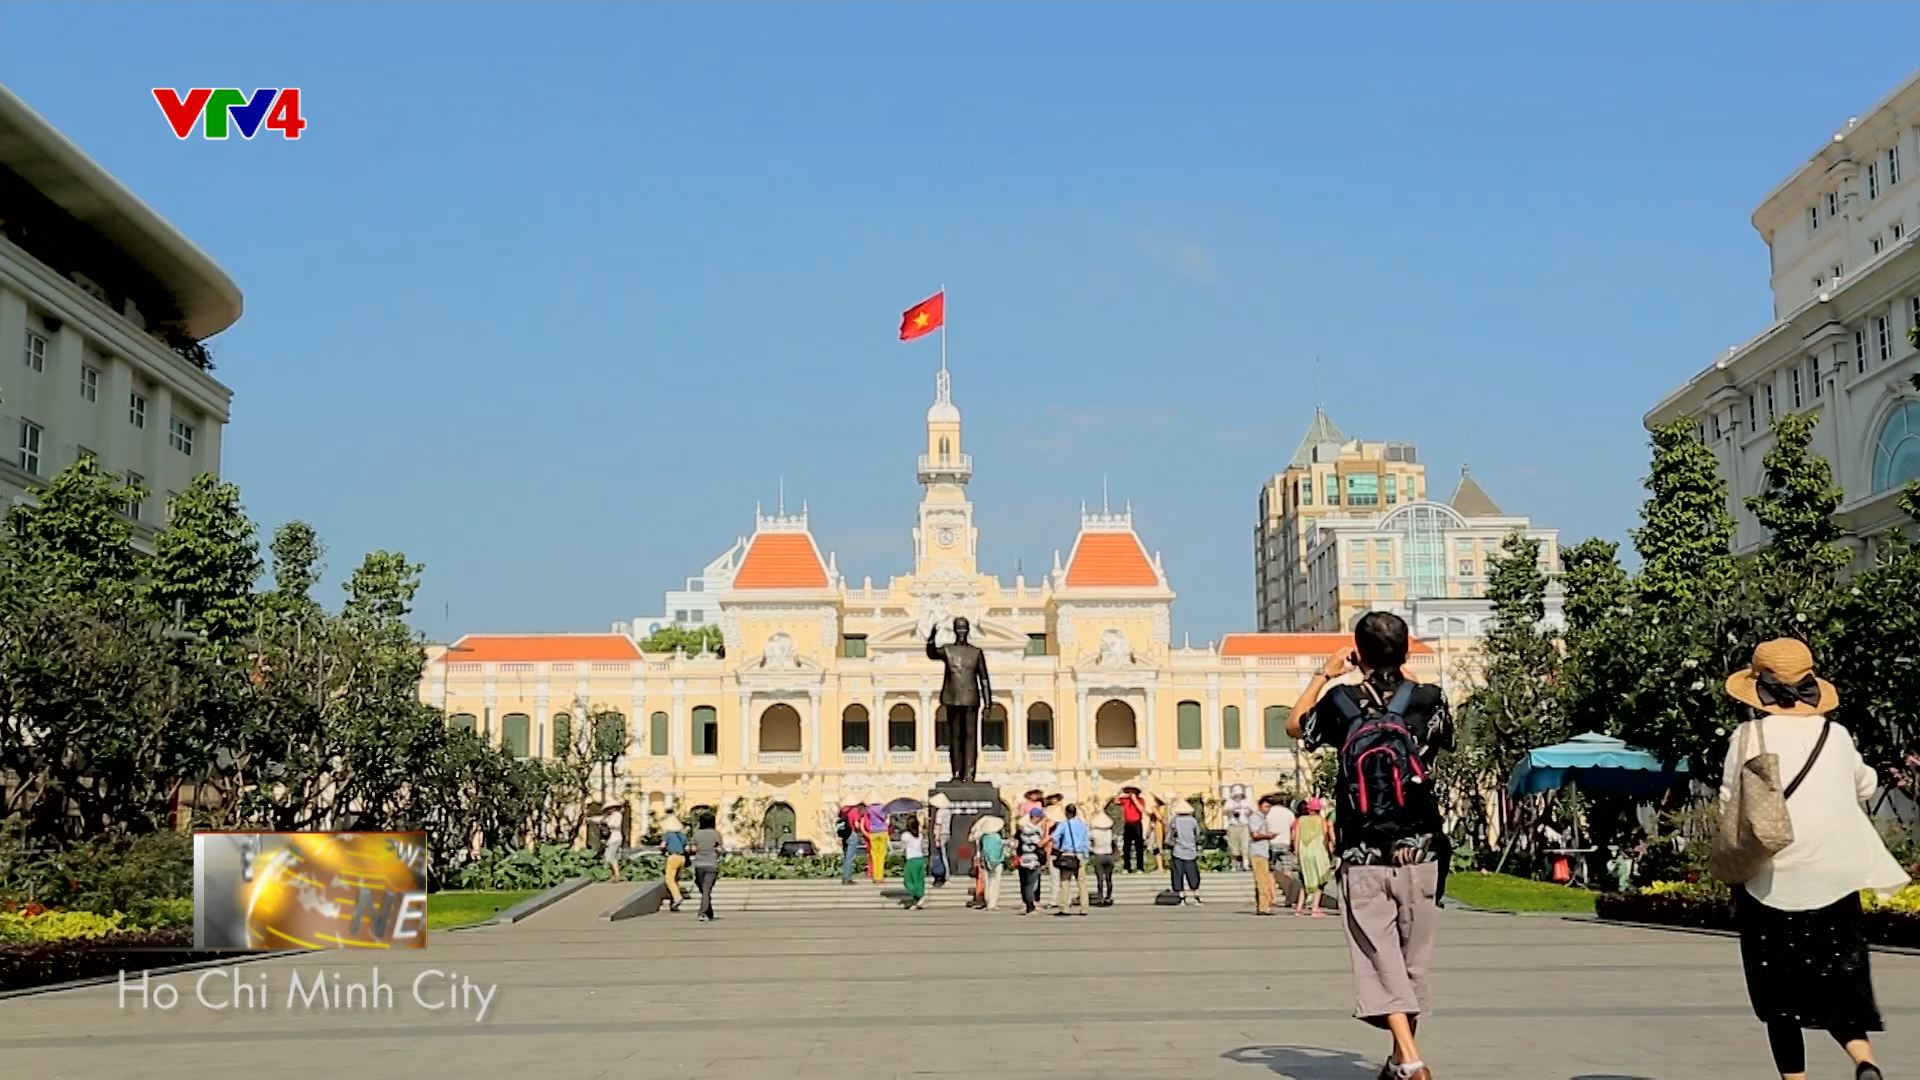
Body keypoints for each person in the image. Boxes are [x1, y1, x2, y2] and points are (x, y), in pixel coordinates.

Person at [1717, 638, 1906, 1080]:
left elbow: (1731, 802)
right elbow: (1864, 785)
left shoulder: (1749, 736)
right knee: (1841, 985)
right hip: (1835, 879)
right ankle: (1865, 1061)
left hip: (1772, 880)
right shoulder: (1835, 735)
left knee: (1778, 999)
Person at [1289, 610, 1454, 1080]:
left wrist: (1325, 673)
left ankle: (1412, 1060)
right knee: (1412, 960)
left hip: (1362, 853)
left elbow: (1296, 725)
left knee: (1377, 955)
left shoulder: (1340, 700)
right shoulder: (1430, 698)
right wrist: (1409, 681)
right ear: (1405, 650)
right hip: (1421, 851)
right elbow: (1440, 737)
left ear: (1357, 653)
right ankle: (1401, 1059)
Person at [1293, 798, 1334, 918]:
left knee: (1305, 880)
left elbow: (1296, 837)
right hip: (1319, 852)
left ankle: (1299, 908)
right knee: (1319, 880)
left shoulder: (1300, 820)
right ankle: (1315, 908)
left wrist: (1296, 853)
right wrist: (1329, 852)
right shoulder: (1321, 821)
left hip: (1304, 853)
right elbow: (1326, 838)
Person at [1051, 804, 1091, 916]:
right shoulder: (1082, 825)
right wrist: (1086, 856)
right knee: (1082, 883)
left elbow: (1054, 837)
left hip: (1067, 854)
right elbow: (1086, 841)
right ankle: (1084, 908)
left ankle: (1064, 907)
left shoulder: (1063, 824)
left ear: (1066, 813)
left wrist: (1059, 847)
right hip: (1080, 855)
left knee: (1065, 881)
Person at [688, 811, 724, 923]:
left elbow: (692, 849)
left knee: (703, 889)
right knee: (706, 890)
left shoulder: (697, 834)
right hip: (712, 864)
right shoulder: (715, 834)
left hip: (699, 864)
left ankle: (705, 911)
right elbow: (720, 849)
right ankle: (705, 912)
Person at [1248, 794, 1280, 915]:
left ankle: (1262, 905)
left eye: (1269, 807)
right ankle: (1264, 907)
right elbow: (1255, 835)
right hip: (1258, 852)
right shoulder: (1256, 817)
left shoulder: (1262, 818)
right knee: (1262, 881)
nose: (1268, 809)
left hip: (1262, 851)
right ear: (1260, 806)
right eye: (1266, 806)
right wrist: (1268, 835)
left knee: (1263, 880)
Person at [1268, 796, 1300, 911]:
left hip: (1271, 843)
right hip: (1285, 843)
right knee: (1288, 871)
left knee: (1270, 872)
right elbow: (1293, 828)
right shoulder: (1289, 813)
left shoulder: (1268, 812)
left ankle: (1273, 898)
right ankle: (1289, 898)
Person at [1168, 799, 1202, 904]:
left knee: (1178, 874)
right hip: (1191, 851)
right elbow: (1198, 834)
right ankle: (1196, 896)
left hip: (1178, 850)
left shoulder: (1174, 820)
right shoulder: (1193, 820)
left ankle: (1182, 897)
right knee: (1193, 874)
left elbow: (1169, 835)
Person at [1015, 806, 1047, 915]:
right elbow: (1039, 844)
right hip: (1033, 858)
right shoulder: (1034, 830)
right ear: (1036, 817)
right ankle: (1030, 905)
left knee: (1026, 883)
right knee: (1031, 883)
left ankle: (1028, 903)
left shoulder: (1023, 829)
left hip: (1025, 858)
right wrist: (1048, 837)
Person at [974, 817, 1007, 910]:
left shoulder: (983, 837)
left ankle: (987, 900)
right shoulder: (997, 837)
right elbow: (1000, 849)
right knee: (995, 882)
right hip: (996, 861)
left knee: (987, 882)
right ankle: (992, 903)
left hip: (985, 861)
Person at [659, 813, 689, 913]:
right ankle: (674, 902)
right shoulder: (682, 835)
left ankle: (677, 897)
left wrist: (662, 849)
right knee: (676, 879)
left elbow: (662, 846)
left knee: (669, 880)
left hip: (673, 857)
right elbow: (687, 848)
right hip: (682, 858)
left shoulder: (668, 835)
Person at [1088, 810, 1118, 907]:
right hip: (1109, 855)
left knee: (1100, 879)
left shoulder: (1093, 832)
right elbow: (1115, 843)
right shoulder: (1110, 832)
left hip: (1098, 855)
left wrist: (1092, 849)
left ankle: (1100, 897)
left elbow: (1088, 843)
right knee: (1109, 879)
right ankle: (1108, 896)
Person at [1223, 785, 1255, 871]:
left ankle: (1245, 864)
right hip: (1233, 826)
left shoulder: (1247, 802)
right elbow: (1224, 812)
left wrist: (1248, 810)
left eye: (1239, 795)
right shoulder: (1229, 802)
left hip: (1244, 826)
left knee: (1245, 845)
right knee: (1234, 846)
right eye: (1236, 795)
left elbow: (1252, 813)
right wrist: (1232, 810)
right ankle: (1234, 865)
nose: (1237, 797)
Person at [900, 816, 929, 910]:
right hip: (920, 859)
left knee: (908, 881)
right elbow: (923, 847)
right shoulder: (920, 836)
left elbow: (902, 848)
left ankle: (920, 896)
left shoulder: (905, 835)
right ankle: (917, 901)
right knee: (919, 881)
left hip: (912, 860)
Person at [1117, 787, 1148, 872]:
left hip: (1137, 824)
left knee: (1139, 846)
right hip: (1128, 824)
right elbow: (1116, 801)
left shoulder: (1141, 800)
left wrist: (1135, 800)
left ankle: (1140, 867)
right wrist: (1121, 794)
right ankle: (1127, 867)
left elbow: (1142, 809)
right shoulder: (1126, 800)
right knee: (1126, 846)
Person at [929, 792, 953, 888]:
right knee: (945, 854)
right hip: (947, 833)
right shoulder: (948, 811)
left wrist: (937, 838)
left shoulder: (940, 812)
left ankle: (946, 875)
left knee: (942, 855)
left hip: (941, 834)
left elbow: (938, 825)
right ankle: (946, 873)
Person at [838, 801, 864, 885]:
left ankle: (845, 876)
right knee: (850, 857)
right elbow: (856, 825)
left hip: (844, 835)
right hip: (851, 834)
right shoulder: (854, 810)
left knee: (846, 857)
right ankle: (847, 878)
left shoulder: (843, 810)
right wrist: (860, 829)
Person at [864, 800, 890, 884]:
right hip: (883, 831)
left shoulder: (869, 809)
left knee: (874, 855)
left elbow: (867, 819)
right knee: (881, 855)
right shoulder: (884, 808)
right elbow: (885, 818)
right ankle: (880, 876)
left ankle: (875, 877)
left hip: (873, 832)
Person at [601, 802, 626, 882]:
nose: (609, 810)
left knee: (611, 857)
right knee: (608, 857)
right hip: (610, 839)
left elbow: (616, 825)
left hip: (615, 838)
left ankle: (617, 874)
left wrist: (607, 823)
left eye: (610, 808)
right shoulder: (610, 816)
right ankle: (613, 875)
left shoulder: (617, 815)